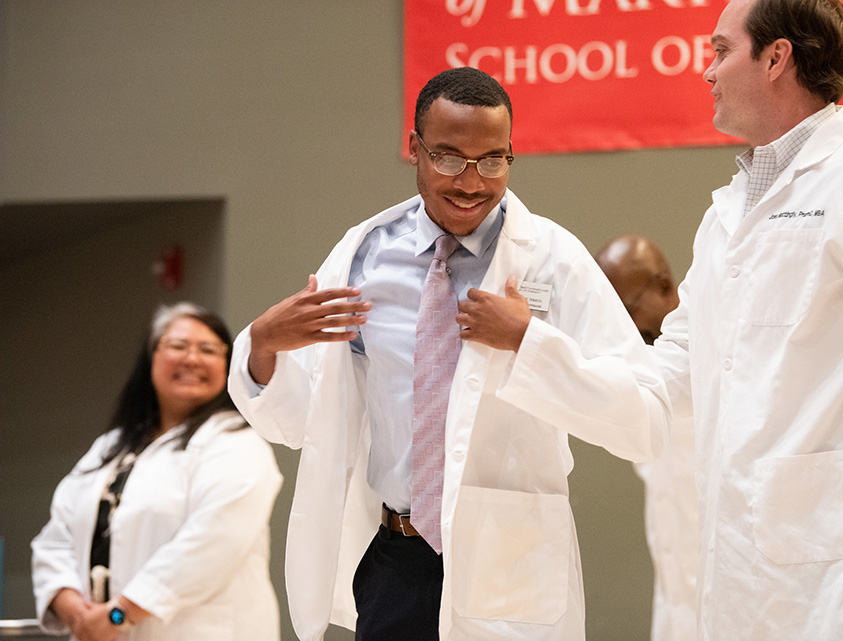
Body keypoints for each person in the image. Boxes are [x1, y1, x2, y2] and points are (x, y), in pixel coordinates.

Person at [228, 66, 670, 641]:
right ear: (415, 148)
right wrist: (263, 348)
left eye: (493, 160)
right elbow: (305, 423)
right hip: (396, 560)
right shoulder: (365, 260)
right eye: (449, 158)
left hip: (509, 562)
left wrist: (529, 345)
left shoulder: (553, 259)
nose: (472, 182)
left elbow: (645, 422)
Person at [651, 0, 843, 638]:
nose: (707, 71)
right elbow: (674, 365)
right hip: (748, 582)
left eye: (721, 51)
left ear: (776, 58)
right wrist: (536, 351)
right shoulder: (726, 214)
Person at [32, 303, 282, 641]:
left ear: (228, 363)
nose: (191, 359)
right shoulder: (111, 446)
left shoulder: (238, 444)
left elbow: (211, 545)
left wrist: (120, 615)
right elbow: (55, 539)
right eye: (178, 346)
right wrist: (77, 614)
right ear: (151, 358)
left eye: (208, 350)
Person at [596, 235, 696, 641]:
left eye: (627, 309)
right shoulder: (636, 374)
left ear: (665, 287)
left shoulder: (712, 356)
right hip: (675, 600)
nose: (622, 329)